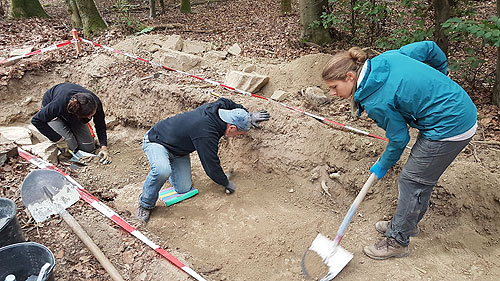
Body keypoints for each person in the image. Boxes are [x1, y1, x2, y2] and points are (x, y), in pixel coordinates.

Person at [322, 41, 477, 259]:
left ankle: (397, 241)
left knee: (412, 180)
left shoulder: (377, 101)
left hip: (450, 125)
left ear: (349, 76)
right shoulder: (385, 58)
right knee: (419, 176)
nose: (332, 93)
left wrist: (382, 164)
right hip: (448, 113)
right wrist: (441, 78)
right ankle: (408, 225)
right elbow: (430, 48)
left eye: (334, 87)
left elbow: (399, 139)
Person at [135, 97, 270, 223]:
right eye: (239, 133)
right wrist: (225, 182)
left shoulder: (218, 108)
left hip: (178, 151)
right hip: (157, 141)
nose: (238, 136)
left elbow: (227, 101)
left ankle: (167, 165)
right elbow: (211, 166)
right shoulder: (206, 133)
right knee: (162, 170)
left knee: (184, 189)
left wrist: (247, 116)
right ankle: (145, 204)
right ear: (232, 127)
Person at [31, 83, 112, 164]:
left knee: (88, 148)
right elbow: (36, 120)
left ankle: (70, 129)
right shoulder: (58, 104)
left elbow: (100, 123)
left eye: (92, 115)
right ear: (77, 114)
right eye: (88, 116)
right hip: (54, 115)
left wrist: (104, 147)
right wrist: (58, 139)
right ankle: (64, 129)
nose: (89, 118)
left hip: (75, 113)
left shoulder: (94, 103)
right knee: (70, 146)